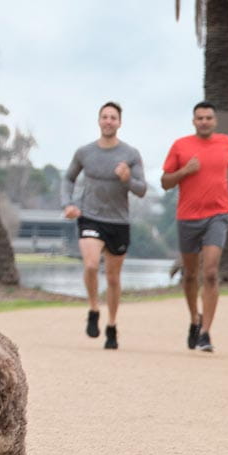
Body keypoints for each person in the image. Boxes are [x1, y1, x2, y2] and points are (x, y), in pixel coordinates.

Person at [161, 100, 228, 353]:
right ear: (193, 121)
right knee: (190, 275)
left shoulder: (226, 144)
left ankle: (205, 333)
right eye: (199, 118)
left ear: (215, 120)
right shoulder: (181, 146)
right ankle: (194, 319)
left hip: (218, 215)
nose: (204, 122)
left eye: (208, 118)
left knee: (210, 272)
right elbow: (165, 182)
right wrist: (184, 171)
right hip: (188, 217)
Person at [62, 101, 149, 349]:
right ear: (99, 121)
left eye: (113, 117)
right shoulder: (85, 152)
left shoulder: (130, 154)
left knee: (112, 278)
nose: (108, 121)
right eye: (104, 117)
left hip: (118, 221)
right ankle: (92, 308)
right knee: (90, 265)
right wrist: (67, 204)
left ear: (119, 122)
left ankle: (111, 325)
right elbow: (68, 178)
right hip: (90, 215)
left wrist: (127, 178)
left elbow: (142, 190)